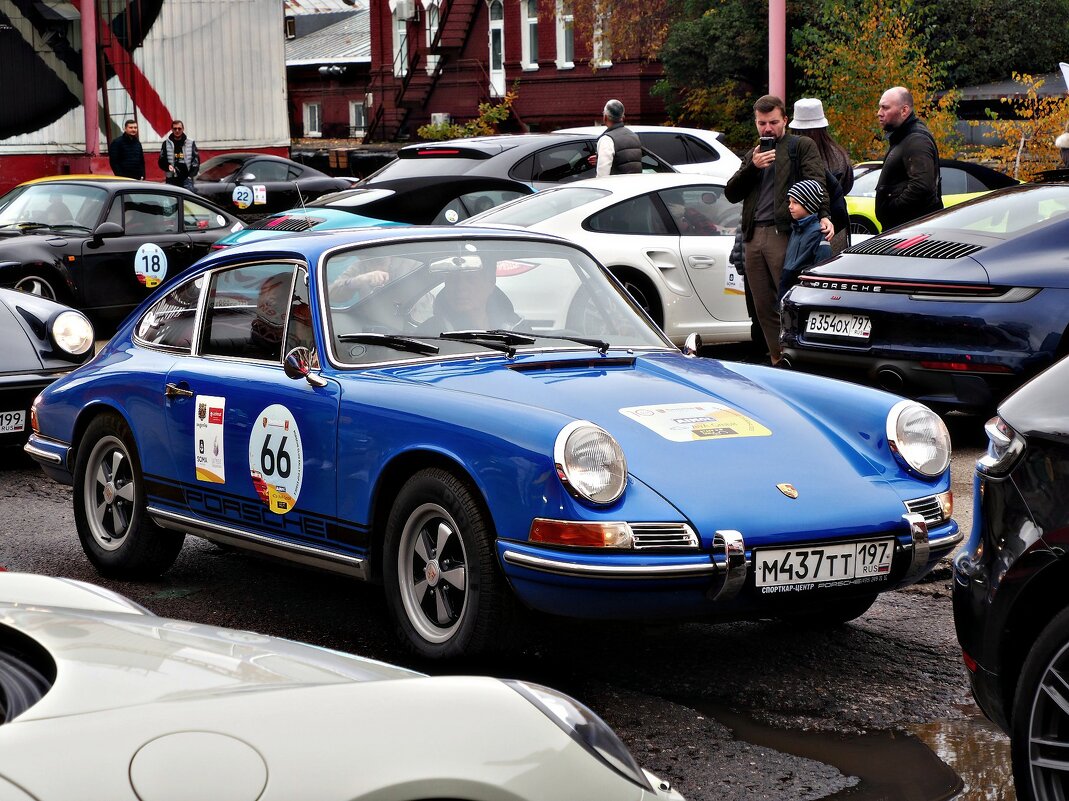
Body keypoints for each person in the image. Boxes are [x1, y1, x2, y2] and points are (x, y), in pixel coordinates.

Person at [725, 94, 830, 366]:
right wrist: (752, 166)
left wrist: (825, 215)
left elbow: (817, 182)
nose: (767, 128)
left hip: (783, 233)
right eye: (762, 123)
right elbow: (731, 192)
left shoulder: (800, 146)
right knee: (762, 307)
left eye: (773, 122)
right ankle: (777, 359)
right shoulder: (753, 153)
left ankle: (799, 359)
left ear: (785, 120)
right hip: (753, 236)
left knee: (789, 300)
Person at [789, 98, 853, 254]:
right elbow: (847, 185)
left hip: (808, 230)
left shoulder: (794, 156)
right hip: (837, 226)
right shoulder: (838, 154)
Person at [875, 87, 942, 231]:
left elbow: (922, 186)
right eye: (880, 107)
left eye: (885, 108)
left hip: (911, 232)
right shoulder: (904, 136)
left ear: (904, 110)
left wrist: (892, 209)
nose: (879, 113)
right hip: (905, 229)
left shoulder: (916, 140)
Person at [779, 179, 832, 300]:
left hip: (804, 289)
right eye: (790, 202)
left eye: (795, 203)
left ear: (809, 204)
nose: (790, 206)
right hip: (787, 285)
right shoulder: (796, 229)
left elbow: (822, 266)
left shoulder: (819, 232)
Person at [589, 99, 643, 178]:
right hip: (636, 187)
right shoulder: (634, 136)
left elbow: (602, 175)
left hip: (616, 188)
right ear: (622, 117)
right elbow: (625, 159)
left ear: (605, 117)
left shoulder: (607, 139)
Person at [158, 119, 200, 190]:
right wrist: (167, 166)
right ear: (172, 129)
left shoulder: (190, 142)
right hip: (171, 179)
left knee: (188, 200)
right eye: (175, 128)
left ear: (183, 129)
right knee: (171, 200)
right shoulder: (166, 143)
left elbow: (196, 161)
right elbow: (161, 161)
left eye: (179, 128)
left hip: (187, 179)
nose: (177, 130)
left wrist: (190, 175)